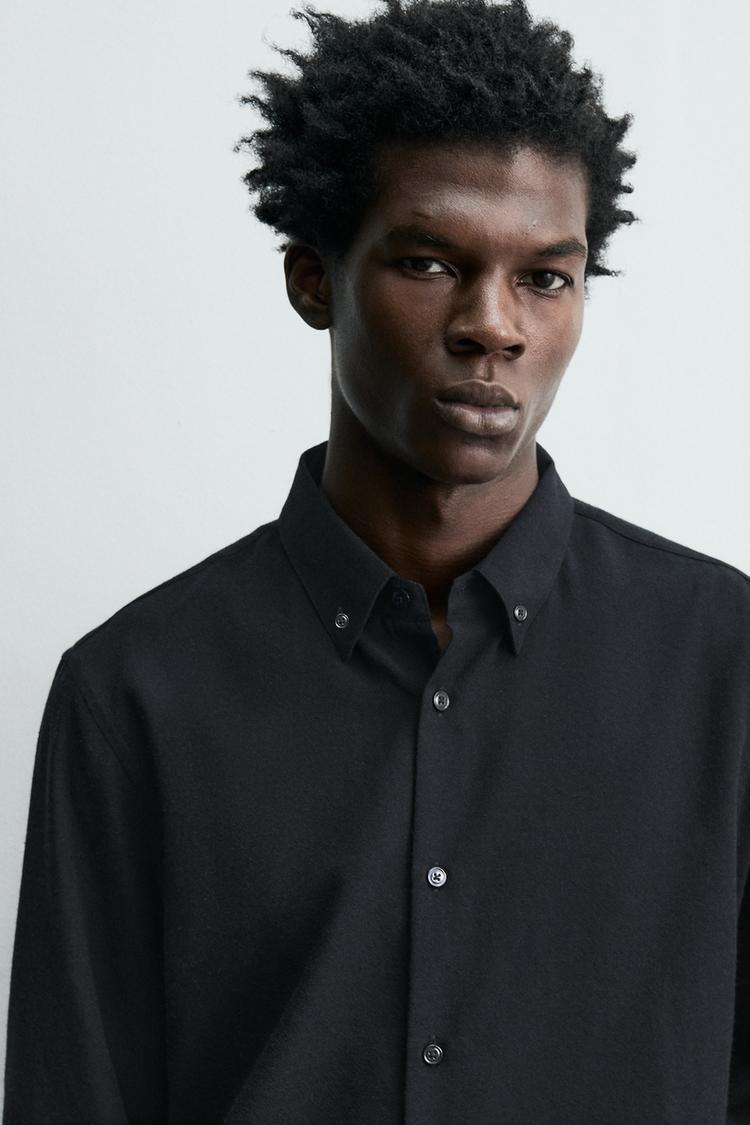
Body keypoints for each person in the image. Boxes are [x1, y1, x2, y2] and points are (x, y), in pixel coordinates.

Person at [4, 0, 749, 1120]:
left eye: (545, 278)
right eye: (430, 262)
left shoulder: (726, 663)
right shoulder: (134, 693)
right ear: (314, 278)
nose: (493, 325)